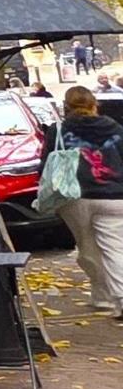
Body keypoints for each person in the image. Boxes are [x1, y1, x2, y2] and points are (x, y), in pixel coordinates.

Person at [51, 86, 123, 319]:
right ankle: (119, 298)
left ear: (66, 107)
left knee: (88, 249)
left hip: (73, 196)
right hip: (113, 195)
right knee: (114, 248)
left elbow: (47, 163)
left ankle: (102, 297)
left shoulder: (59, 131)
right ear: (95, 105)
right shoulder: (116, 129)